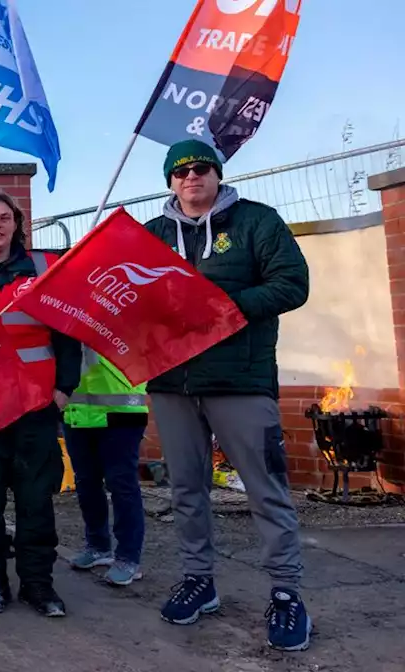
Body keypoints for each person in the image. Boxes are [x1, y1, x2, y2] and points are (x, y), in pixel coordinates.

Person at [143, 139, 311, 651]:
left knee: (265, 489)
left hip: (241, 381)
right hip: (173, 383)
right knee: (187, 490)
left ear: (216, 174)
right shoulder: (151, 235)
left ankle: (286, 594)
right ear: (170, 182)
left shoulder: (257, 222)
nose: (191, 177)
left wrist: (222, 306)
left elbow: (292, 284)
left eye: (200, 168)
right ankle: (200, 579)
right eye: (180, 172)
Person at [0, 192, 80, 618]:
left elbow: (67, 332)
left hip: (35, 408)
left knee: (35, 502)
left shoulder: (44, 270)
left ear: (16, 225)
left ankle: (37, 585)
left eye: (5, 218)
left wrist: (65, 387)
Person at [63, 348, 148, 586]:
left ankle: (128, 557)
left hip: (122, 409)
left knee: (121, 484)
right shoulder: (69, 313)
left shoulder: (121, 310)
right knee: (86, 482)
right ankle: (98, 546)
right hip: (78, 410)